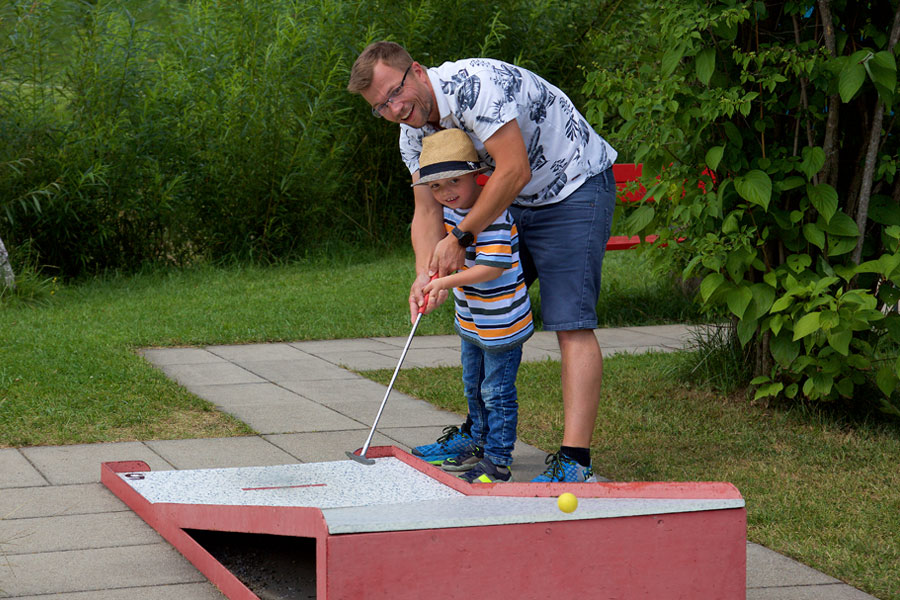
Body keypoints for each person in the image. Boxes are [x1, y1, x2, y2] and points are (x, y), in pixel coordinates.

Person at [347, 42, 617, 483]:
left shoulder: (475, 86)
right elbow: (426, 210)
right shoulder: (413, 133)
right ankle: (478, 435)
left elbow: (513, 171)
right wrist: (425, 273)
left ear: (416, 71)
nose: (393, 109)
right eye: (380, 107)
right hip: (514, 201)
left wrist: (460, 236)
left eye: (394, 94)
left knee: (570, 322)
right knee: (481, 308)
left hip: (572, 185)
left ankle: (574, 460)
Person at [411, 128, 533, 483]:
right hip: (473, 321)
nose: (446, 193)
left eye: (454, 182)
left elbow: (491, 267)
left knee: (496, 393)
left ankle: (497, 460)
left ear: (476, 175)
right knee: (473, 386)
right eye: (436, 186)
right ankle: (477, 445)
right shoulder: (451, 214)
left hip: (503, 323)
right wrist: (430, 279)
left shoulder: (489, 214)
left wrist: (444, 281)